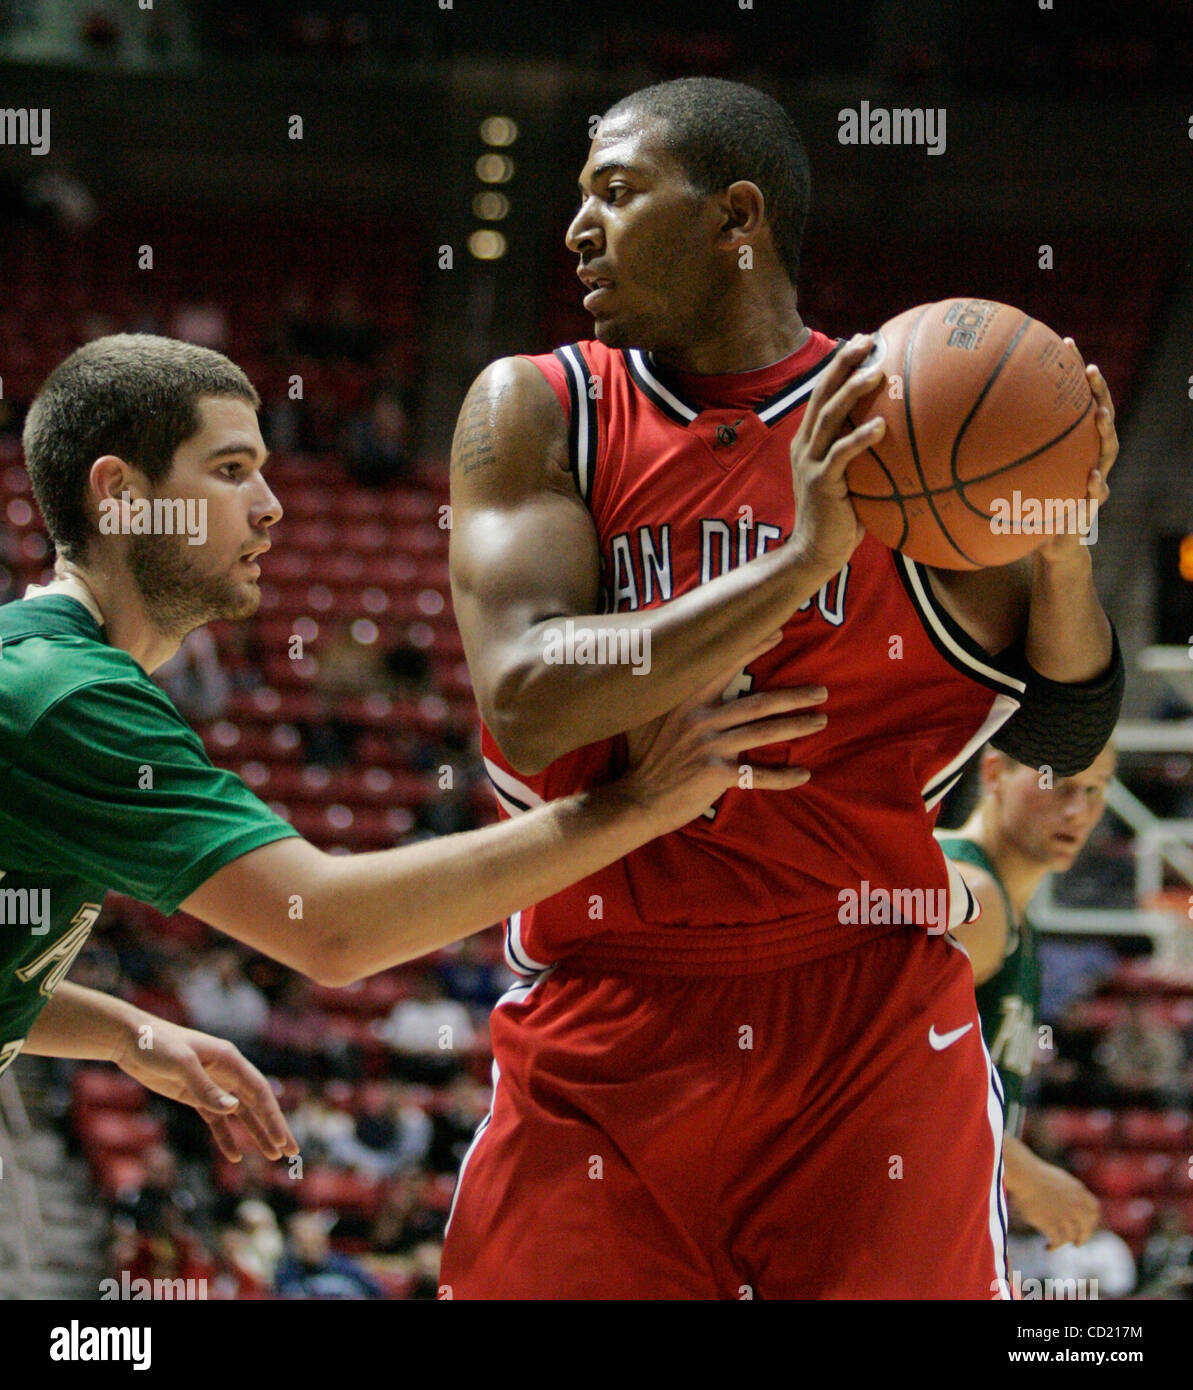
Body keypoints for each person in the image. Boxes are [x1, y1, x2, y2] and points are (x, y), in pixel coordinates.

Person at [444, 77, 1124, 1299]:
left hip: (863, 1020)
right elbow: (526, 693)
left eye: (613, 191)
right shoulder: (541, 408)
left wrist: (1060, 544)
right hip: (610, 1009)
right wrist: (799, 562)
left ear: (734, 215)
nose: (575, 229)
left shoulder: (907, 418)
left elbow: (1066, 727)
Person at [0, 332, 819, 1165]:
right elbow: (328, 929)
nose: (270, 504)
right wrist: (638, 806)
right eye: (230, 470)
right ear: (122, 496)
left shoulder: (38, 672)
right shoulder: (67, 698)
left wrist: (125, 1034)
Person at [940, 744, 1115, 1254]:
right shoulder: (969, 896)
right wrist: (1023, 1171)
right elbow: (877, 1063)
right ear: (994, 771)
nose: (1077, 810)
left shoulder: (1021, 921)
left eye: (1095, 790)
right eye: (1056, 784)